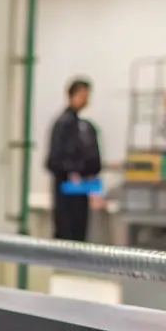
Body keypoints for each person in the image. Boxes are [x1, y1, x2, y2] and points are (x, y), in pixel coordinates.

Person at [46, 78, 102, 241]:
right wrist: (71, 171)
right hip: (67, 187)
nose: (85, 100)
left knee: (79, 227)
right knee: (68, 228)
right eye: (82, 96)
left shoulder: (83, 126)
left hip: (80, 187)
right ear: (72, 96)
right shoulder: (64, 125)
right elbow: (55, 159)